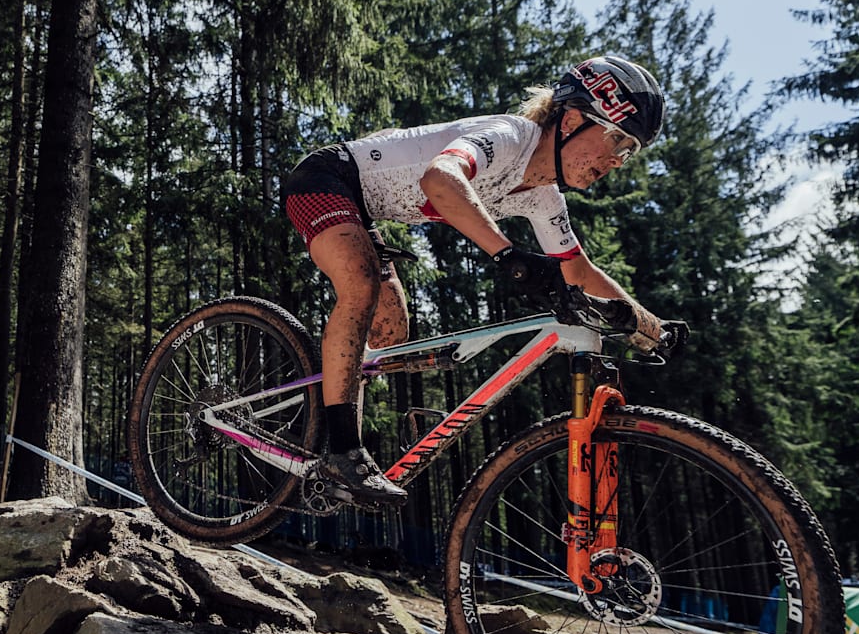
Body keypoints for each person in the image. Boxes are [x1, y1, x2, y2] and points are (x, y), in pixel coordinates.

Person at [281, 55, 667, 504]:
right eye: (617, 138)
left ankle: (333, 437)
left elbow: (578, 270)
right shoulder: (509, 136)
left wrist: (652, 328)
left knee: (389, 331)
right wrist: (508, 256)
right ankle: (343, 449)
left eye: (629, 151)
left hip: (362, 208)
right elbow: (440, 179)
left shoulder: (543, 197)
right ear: (572, 120)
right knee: (361, 286)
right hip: (326, 177)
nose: (617, 160)